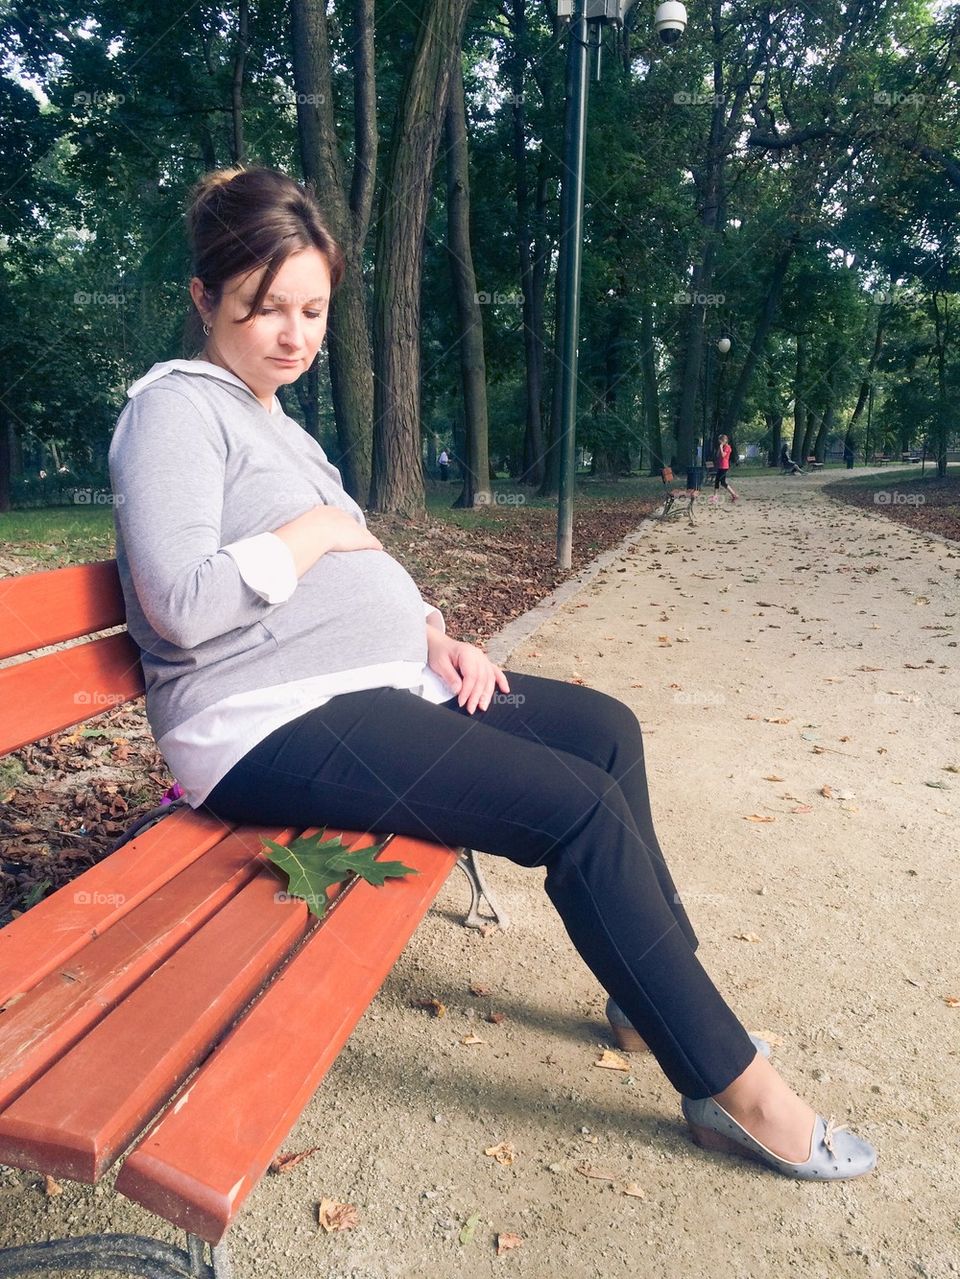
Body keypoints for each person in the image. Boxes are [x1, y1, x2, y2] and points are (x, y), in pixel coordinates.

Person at [108, 166, 875, 1182]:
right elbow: (182, 601)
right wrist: (309, 531)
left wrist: (434, 634)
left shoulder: (274, 420)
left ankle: (653, 994)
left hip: (375, 688)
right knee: (578, 808)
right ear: (206, 298)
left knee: (605, 730)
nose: (293, 336)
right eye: (264, 309)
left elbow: (360, 557)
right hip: (261, 720)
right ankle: (734, 1090)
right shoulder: (174, 411)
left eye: (312, 310)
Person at [710, 434, 739, 503]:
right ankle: (715, 496)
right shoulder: (722, 447)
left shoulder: (727, 447)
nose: (719, 442)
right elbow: (717, 455)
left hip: (724, 467)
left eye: (720, 441)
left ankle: (734, 494)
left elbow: (723, 456)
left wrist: (721, 447)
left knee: (723, 482)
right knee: (717, 481)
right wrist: (720, 449)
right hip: (720, 466)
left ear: (724, 440)